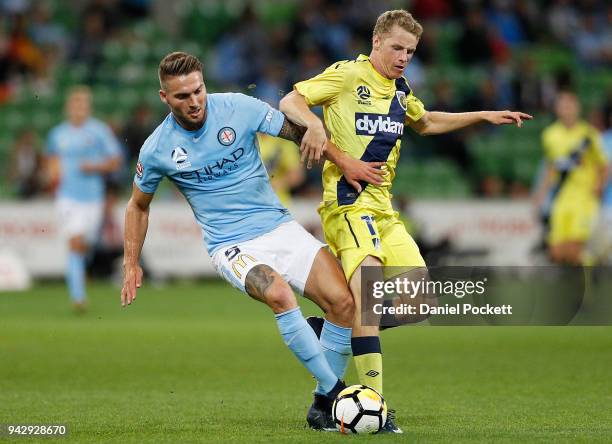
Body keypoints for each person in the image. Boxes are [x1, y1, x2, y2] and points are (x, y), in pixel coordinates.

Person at [280, 9, 532, 433]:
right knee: (372, 295)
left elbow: (427, 121)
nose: (403, 57)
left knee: (419, 303)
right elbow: (291, 100)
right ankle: (374, 406)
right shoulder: (346, 76)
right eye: (397, 47)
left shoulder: (400, 90)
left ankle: (331, 335)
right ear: (376, 42)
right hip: (348, 205)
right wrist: (314, 127)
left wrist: (483, 115)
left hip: (385, 211)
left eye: (411, 51)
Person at [121, 52, 381, 431]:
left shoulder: (238, 108)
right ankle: (339, 393)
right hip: (231, 246)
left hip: (279, 227)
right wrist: (131, 261)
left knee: (342, 304)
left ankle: (323, 405)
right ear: (165, 98)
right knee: (279, 295)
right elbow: (137, 206)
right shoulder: (157, 149)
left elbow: (298, 133)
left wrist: (337, 153)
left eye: (198, 91)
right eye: (181, 97)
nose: (193, 102)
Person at [46, 85, 121, 311]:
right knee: (75, 242)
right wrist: (53, 178)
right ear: (69, 107)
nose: (79, 108)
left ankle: (79, 276)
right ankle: (78, 297)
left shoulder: (99, 131)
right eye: (75, 103)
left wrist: (95, 167)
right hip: (68, 197)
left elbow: (115, 160)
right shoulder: (57, 134)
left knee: (84, 246)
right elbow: (52, 160)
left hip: (93, 198)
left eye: (83, 103)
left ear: (88, 107)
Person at [534, 91, 608, 265]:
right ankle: (596, 266)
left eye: (570, 105)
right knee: (557, 252)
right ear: (557, 109)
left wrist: (598, 186)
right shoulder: (549, 135)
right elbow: (551, 167)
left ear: (577, 108)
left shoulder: (589, 135)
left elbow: (604, 166)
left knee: (574, 249)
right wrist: (541, 193)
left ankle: (593, 282)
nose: (567, 109)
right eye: (563, 106)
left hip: (583, 198)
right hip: (561, 198)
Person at [257, 133, 304, 208]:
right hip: (249, 206)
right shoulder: (246, 137)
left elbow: (296, 175)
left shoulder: (283, 140)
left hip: (277, 205)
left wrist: (277, 183)